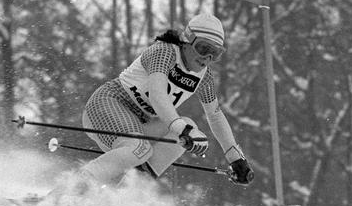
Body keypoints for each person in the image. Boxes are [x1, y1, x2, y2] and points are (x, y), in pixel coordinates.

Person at [74, 13, 253, 190]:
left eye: (215, 53)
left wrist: (235, 158)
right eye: (203, 48)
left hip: (139, 123)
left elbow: (215, 115)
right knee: (141, 148)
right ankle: (71, 188)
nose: (207, 58)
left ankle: (125, 195)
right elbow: (157, 94)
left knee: (186, 128)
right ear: (187, 41)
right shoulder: (164, 52)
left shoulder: (204, 77)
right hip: (108, 103)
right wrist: (183, 129)